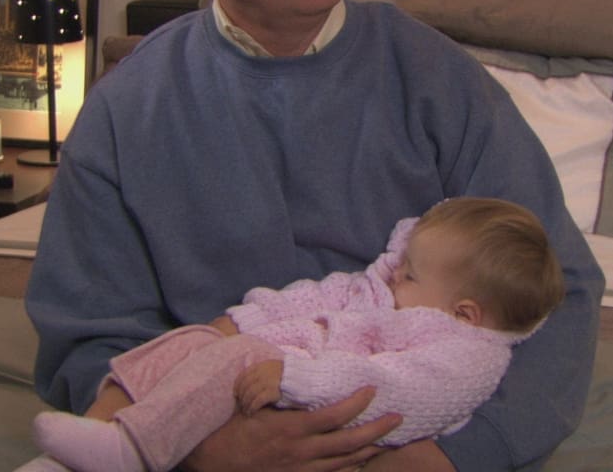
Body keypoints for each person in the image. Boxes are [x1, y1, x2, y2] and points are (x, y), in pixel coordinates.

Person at [24, 0, 604, 472]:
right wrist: (208, 451)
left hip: (418, 440)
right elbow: (87, 337)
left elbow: (560, 289)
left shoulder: (439, 80)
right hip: (208, 431)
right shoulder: (125, 110)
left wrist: (451, 457)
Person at [28, 198, 564, 472]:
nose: (396, 273)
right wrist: (239, 320)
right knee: (190, 342)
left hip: (313, 404)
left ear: (465, 313)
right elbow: (311, 297)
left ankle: (134, 451)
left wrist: (294, 378)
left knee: (235, 356)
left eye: (412, 274)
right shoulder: (386, 289)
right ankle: (84, 448)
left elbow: (385, 388)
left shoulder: (466, 359)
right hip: (273, 370)